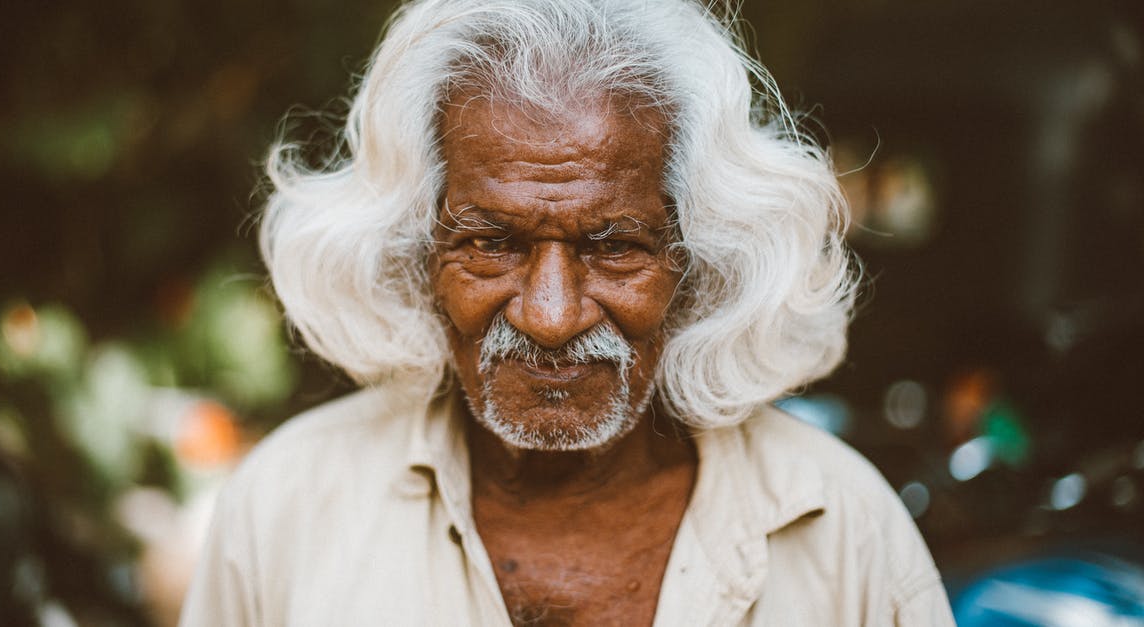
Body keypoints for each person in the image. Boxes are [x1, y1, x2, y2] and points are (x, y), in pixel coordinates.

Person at [180, 0, 955, 624]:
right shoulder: (284, 507)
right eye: (490, 242)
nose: (551, 317)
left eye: (616, 246)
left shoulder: (845, 531)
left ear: (695, 259)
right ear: (416, 250)